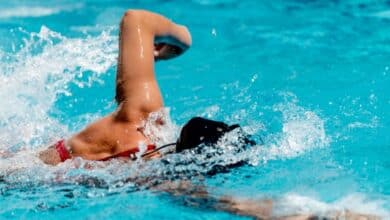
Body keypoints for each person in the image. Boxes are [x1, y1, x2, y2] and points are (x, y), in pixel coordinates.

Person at [39, 10, 192, 165]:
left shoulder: (143, 116)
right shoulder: (155, 164)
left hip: (40, 166)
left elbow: (136, 19)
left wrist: (181, 44)